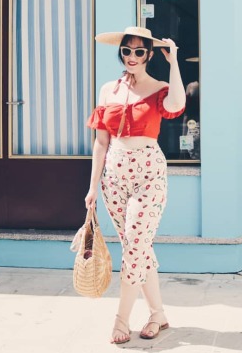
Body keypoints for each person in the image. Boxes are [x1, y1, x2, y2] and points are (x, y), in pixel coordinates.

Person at [85, 25, 186, 345]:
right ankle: (158, 314)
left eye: (139, 51)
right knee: (138, 248)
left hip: (149, 176)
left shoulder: (159, 88)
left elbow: (176, 105)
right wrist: (92, 187)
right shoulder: (107, 90)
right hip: (113, 178)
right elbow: (100, 143)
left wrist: (174, 63)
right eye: (126, 51)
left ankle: (121, 320)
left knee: (134, 248)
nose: (131, 56)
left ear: (149, 55)